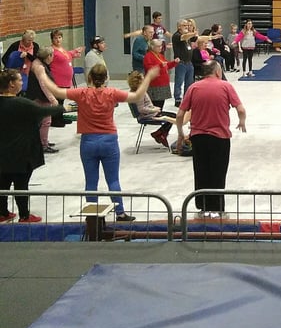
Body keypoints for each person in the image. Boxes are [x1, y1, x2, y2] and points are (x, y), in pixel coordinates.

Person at [43, 63, 160, 222]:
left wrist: (40, 73)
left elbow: (56, 91)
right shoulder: (112, 93)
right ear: (106, 78)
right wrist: (148, 77)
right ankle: (120, 213)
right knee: (113, 179)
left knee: (91, 181)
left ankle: (92, 216)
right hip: (109, 140)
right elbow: (137, 96)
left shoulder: (81, 93)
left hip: (88, 141)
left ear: (89, 77)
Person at [175, 60, 246, 217]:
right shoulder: (226, 86)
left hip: (198, 137)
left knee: (200, 171)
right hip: (219, 137)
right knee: (218, 173)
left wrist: (180, 133)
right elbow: (240, 109)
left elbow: (180, 114)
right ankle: (218, 208)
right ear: (217, 72)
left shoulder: (193, 87)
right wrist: (242, 122)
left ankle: (202, 206)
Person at [0, 69, 65, 223]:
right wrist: (64, 108)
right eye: (19, 80)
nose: (22, 82)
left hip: (2, 153)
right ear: (11, 84)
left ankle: (2, 213)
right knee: (21, 185)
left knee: (2, 184)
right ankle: (24, 215)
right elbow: (44, 111)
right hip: (21, 152)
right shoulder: (22, 103)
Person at [126, 70, 185, 150]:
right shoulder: (139, 93)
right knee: (173, 117)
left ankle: (160, 134)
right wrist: (154, 110)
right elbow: (141, 109)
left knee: (172, 116)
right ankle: (160, 134)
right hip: (147, 115)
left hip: (149, 113)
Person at [25, 47, 59, 154]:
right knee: (46, 121)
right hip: (40, 97)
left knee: (41, 121)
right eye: (52, 55)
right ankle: (43, 145)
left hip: (36, 96)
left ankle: (43, 141)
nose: (53, 57)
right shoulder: (39, 67)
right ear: (48, 56)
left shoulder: (37, 62)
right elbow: (44, 85)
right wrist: (53, 99)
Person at [143, 38, 179, 108]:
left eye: (161, 46)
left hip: (163, 83)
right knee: (156, 104)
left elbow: (166, 66)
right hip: (155, 85)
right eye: (158, 46)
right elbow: (149, 69)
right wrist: (160, 65)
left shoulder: (160, 55)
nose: (160, 48)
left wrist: (174, 62)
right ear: (152, 47)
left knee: (161, 104)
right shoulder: (148, 56)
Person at [172, 19, 195, 104]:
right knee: (179, 82)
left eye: (187, 25)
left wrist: (211, 37)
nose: (187, 27)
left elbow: (198, 38)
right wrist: (193, 33)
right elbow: (183, 37)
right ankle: (177, 99)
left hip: (189, 62)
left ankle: (187, 98)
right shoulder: (176, 35)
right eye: (184, 25)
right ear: (179, 27)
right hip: (181, 63)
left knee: (189, 82)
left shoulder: (187, 35)